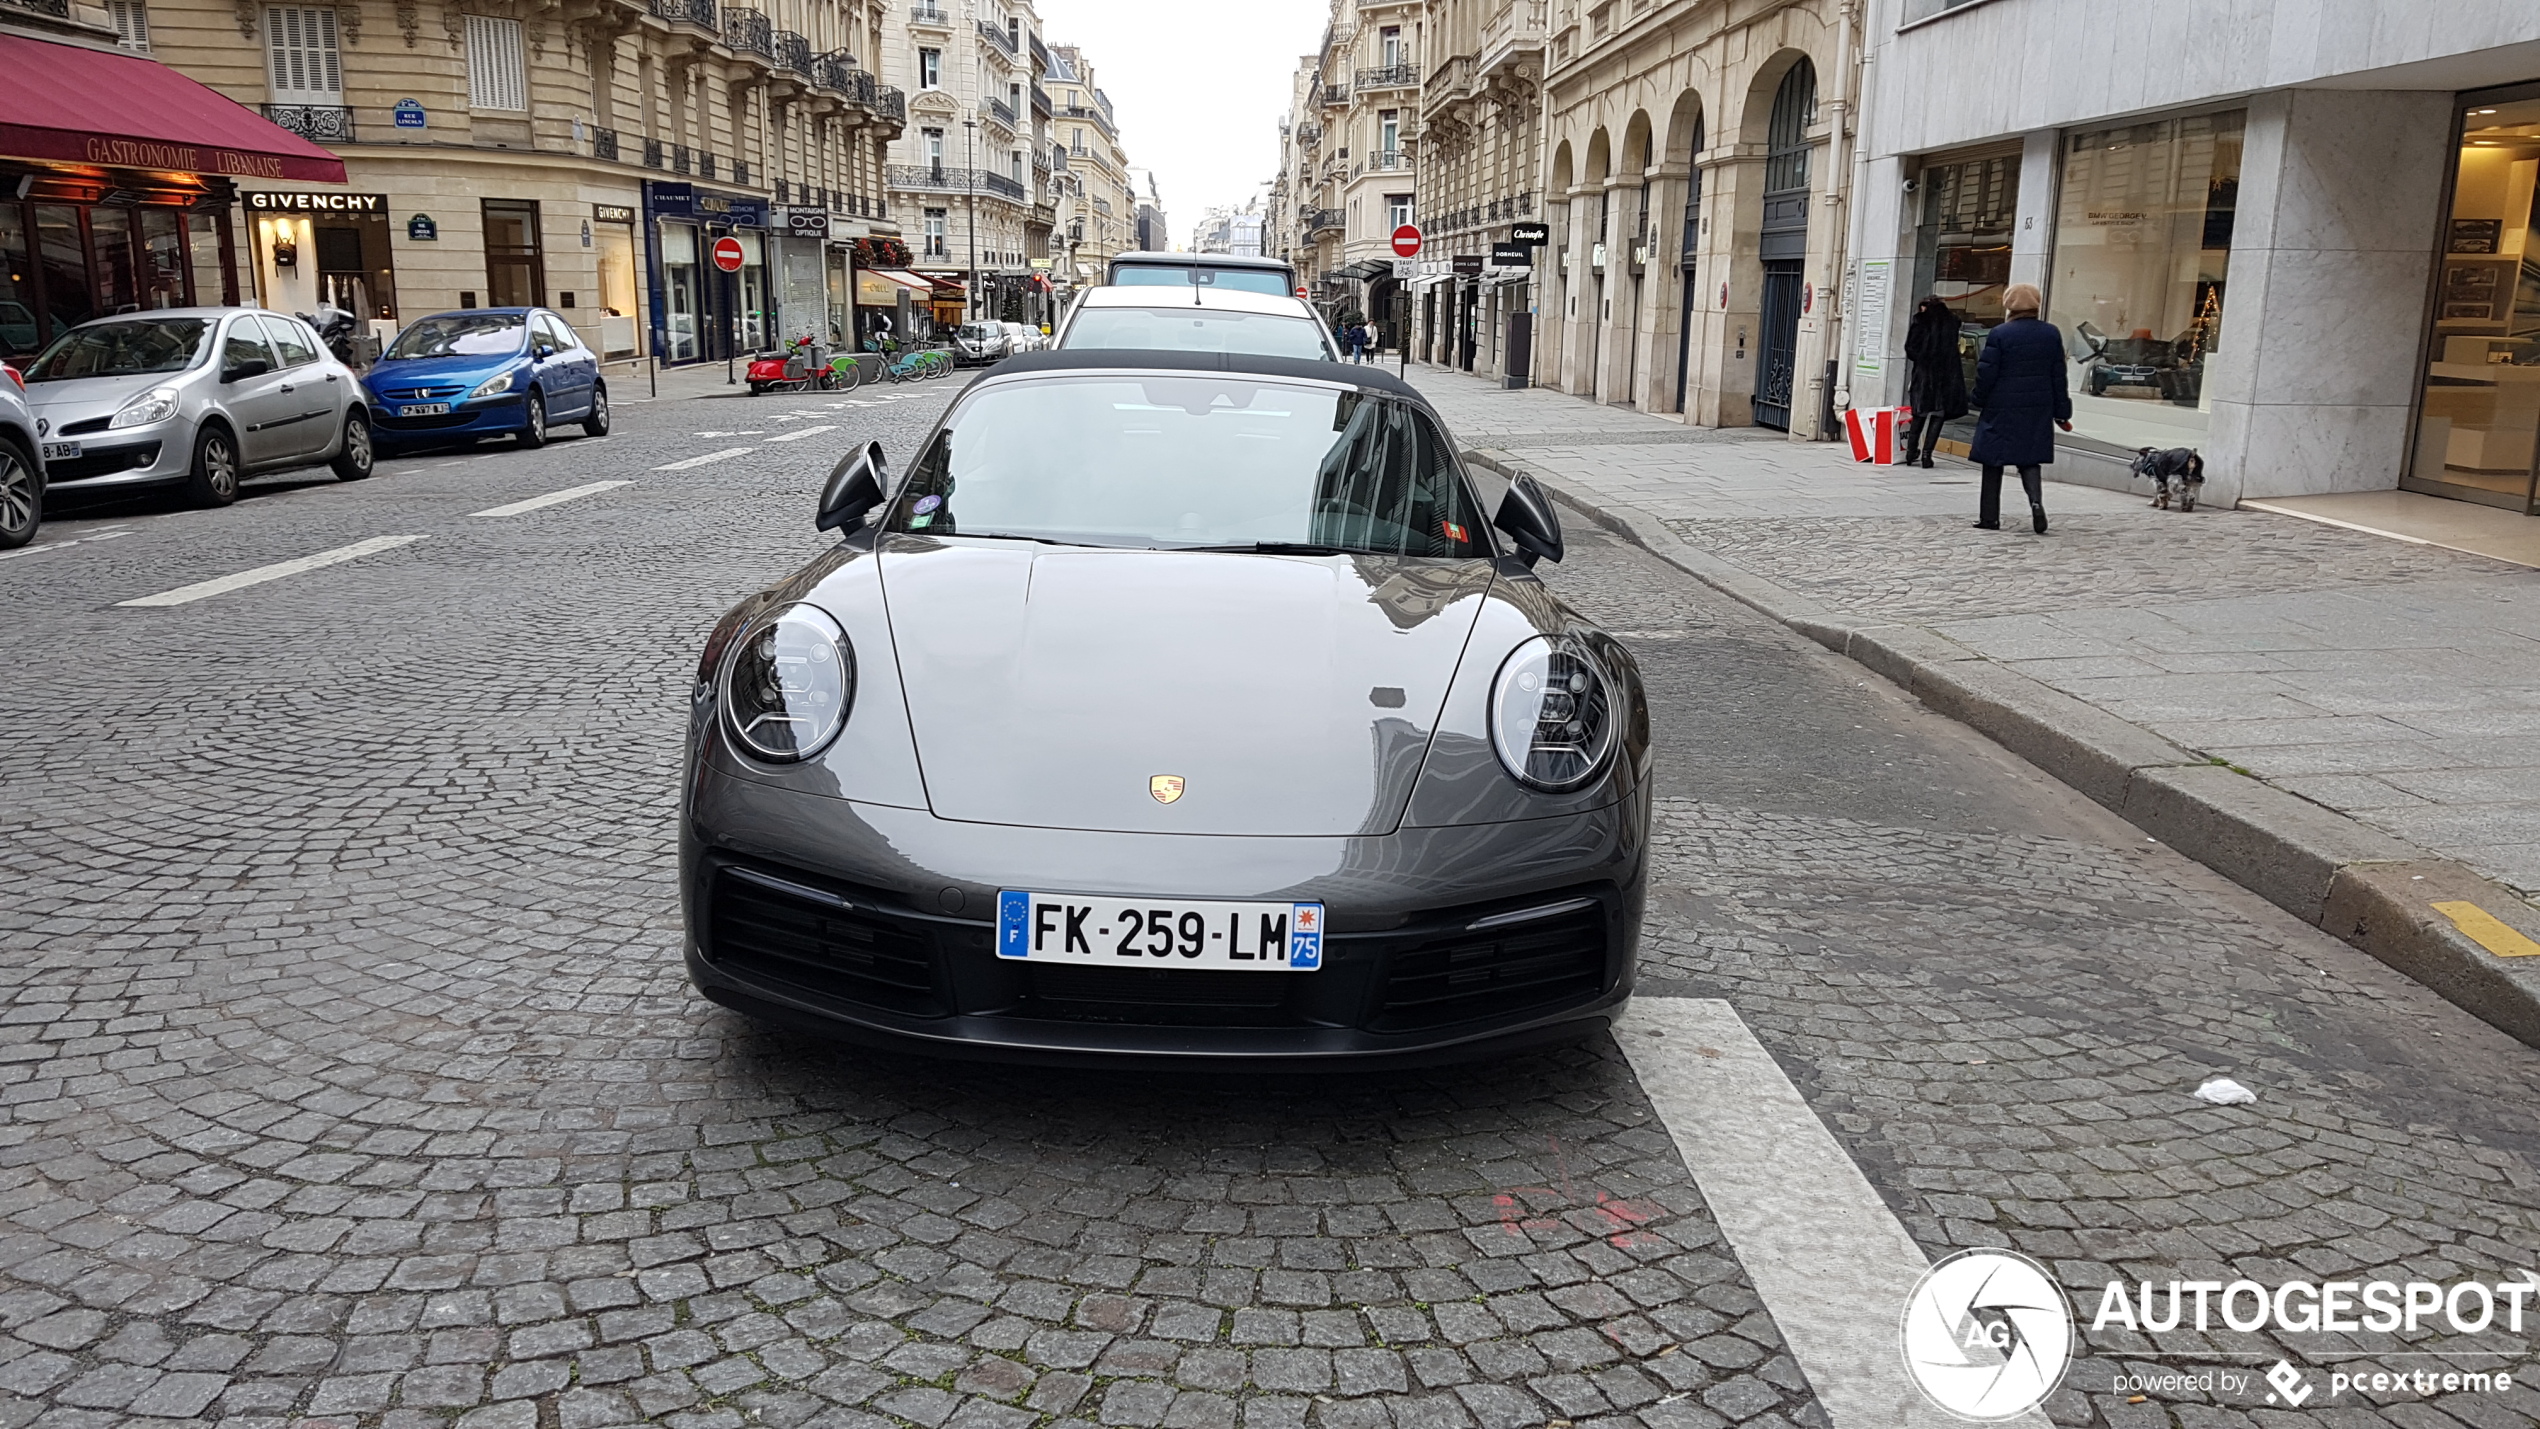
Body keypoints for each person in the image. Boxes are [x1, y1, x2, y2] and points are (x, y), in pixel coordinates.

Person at [1967, 283, 2071, 534]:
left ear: (2009, 306)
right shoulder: (2051, 333)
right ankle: (2035, 502)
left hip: (2002, 406)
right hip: (2037, 406)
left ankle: (1989, 517)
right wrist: (2062, 411)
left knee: (1993, 460)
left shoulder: (2000, 334)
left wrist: (1977, 398)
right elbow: (2059, 374)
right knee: (2030, 457)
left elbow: (1987, 372)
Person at [1902, 296, 1968, 469]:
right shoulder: (1952, 322)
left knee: (1919, 412)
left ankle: (1911, 452)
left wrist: (1922, 359)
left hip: (1923, 374)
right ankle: (1926, 455)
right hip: (1944, 375)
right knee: (1938, 414)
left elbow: (1910, 348)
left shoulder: (1920, 321)